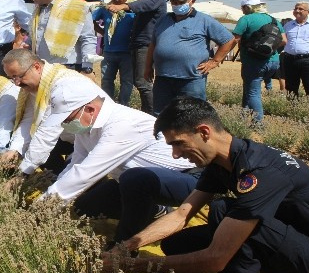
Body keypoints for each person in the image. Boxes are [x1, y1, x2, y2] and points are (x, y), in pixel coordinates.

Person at [105, 97, 309, 273]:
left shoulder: (259, 171)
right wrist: (126, 246)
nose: (176, 155)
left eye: (178, 143)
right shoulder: (224, 161)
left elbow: (217, 257)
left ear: (204, 132)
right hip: (289, 236)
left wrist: (135, 265)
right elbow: (182, 215)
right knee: (180, 244)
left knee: (225, 212)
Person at [40, 77, 196, 243]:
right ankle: (156, 210)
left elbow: (86, 173)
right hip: (131, 182)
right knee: (84, 207)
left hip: (183, 178)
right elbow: (76, 165)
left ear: (90, 109)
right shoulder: (86, 129)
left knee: (135, 180)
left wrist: (42, 208)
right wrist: (49, 197)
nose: (65, 125)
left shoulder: (122, 125)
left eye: (68, 119)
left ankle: (123, 247)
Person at [1, 48, 102, 175]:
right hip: (69, 139)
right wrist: (15, 150)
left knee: (74, 179)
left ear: (37, 67)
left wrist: (23, 173)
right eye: (12, 78)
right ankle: (56, 176)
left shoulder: (63, 85)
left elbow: (47, 133)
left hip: (93, 142)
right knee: (29, 143)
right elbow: (28, 120)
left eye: (19, 76)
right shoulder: (36, 85)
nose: (17, 83)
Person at [145, 0, 235, 116]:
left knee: (192, 115)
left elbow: (228, 40)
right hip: (163, 78)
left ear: (192, 1)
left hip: (191, 79)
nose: (177, 5)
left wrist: (215, 61)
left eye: (181, 2)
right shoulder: (163, 20)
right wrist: (147, 67)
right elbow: (153, 45)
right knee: (161, 115)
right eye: (174, 2)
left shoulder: (204, 20)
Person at [106, 0, 166, 114]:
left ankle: (154, 116)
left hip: (146, 45)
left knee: (142, 82)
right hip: (138, 45)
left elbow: (145, 5)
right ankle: (147, 113)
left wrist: (123, 6)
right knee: (140, 82)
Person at [22, 0, 97, 75]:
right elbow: (36, 36)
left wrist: (87, 68)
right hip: (43, 67)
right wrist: (27, 45)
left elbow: (88, 38)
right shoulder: (39, 9)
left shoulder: (77, 7)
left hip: (68, 68)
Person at [232, 0, 286, 123]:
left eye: (243, 8)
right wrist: (268, 50)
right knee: (249, 88)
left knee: (253, 93)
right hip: (273, 62)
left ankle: (258, 123)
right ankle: (243, 116)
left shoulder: (246, 19)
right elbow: (284, 40)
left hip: (253, 62)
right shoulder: (274, 20)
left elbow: (235, 39)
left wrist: (221, 56)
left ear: (247, 7)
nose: (242, 11)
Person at [92, 0, 136, 105]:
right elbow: (91, 19)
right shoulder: (105, 9)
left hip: (127, 53)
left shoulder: (134, 8)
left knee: (127, 81)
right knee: (106, 80)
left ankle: (123, 105)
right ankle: (108, 105)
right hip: (109, 52)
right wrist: (103, 32)